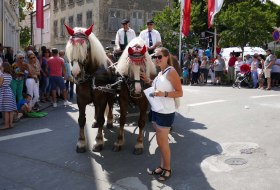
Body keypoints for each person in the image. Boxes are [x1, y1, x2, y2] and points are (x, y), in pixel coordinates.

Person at [142, 47, 183, 181]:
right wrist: (148, 80)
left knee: (163, 142)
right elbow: (156, 87)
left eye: (160, 57)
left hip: (165, 112)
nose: (157, 59)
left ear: (166, 57)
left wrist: (163, 94)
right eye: (155, 57)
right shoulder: (160, 73)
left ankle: (167, 168)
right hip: (156, 109)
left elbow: (179, 92)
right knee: (160, 142)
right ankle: (161, 166)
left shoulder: (171, 72)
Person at [0, 62, 17, 130]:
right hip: (9, 92)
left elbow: (0, 85)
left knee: (6, 111)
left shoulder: (2, 76)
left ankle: (6, 125)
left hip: (4, 93)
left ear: (4, 68)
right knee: (10, 110)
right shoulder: (10, 75)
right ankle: (11, 124)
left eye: (1, 67)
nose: (0, 68)